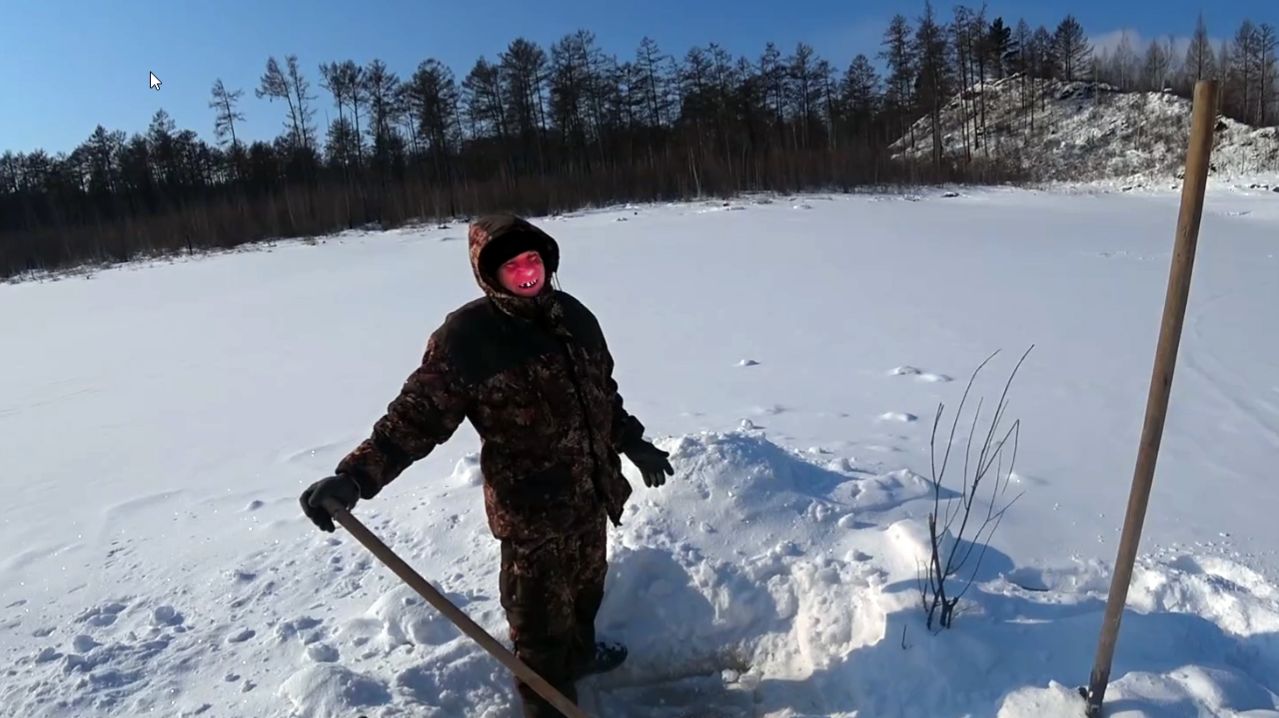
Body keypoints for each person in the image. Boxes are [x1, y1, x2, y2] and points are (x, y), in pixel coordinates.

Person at [299, 214, 674, 717]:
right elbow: (415, 419)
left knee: (586, 595)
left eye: (533, 259)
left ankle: (580, 657)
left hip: (590, 496)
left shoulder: (575, 317)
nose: (526, 272)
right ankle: (551, 707)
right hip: (531, 517)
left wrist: (632, 442)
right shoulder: (469, 338)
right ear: (489, 274)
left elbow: (600, 395)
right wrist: (355, 477)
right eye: (513, 264)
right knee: (539, 630)